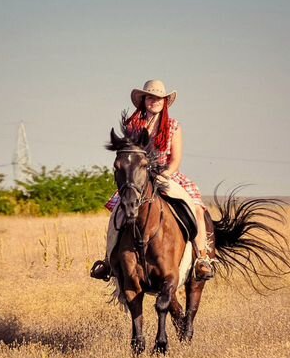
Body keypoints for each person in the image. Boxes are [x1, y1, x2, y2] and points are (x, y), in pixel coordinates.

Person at [90, 79, 215, 281]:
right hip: (138, 178)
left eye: (158, 97)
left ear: (164, 102)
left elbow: (175, 160)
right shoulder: (133, 125)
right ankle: (108, 261)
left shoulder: (173, 126)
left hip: (167, 175)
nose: (154, 101)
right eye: (150, 97)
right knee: (117, 213)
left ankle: (201, 259)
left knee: (198, 210)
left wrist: (162, 175)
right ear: (144, 100)